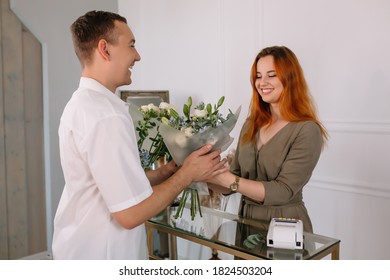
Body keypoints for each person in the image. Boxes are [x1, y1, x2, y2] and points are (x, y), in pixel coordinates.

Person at [52, 10, 227, 260]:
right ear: (105, 49)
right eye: (131, 45)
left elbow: (105, 182)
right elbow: (130, 214)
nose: (138, 56)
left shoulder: (81, 103)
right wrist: (188, 175)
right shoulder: (104, 116)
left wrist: (161, 175)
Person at [208, 46, 328, 233]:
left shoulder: (307, 130)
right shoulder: (250, 125)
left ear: (290, 78)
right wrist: (202, 173)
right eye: (258, 75)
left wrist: (229, 180)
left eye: (271, 75)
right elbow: (233, 180)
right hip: (247, 223)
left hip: (286, 227)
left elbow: (283, 190)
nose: (262, 82)